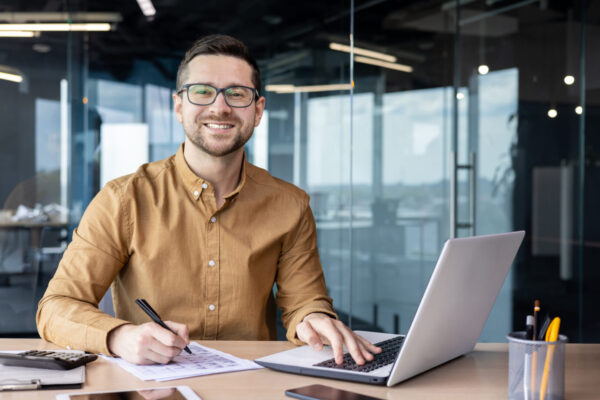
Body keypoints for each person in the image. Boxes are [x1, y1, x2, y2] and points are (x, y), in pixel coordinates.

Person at [37, 34, 380, 366]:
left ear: (258, 111)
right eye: (202, 92)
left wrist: (312, 318)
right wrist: (119, 336)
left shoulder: (291, 205)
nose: (220, 107)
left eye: (237, 93)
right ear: (179, 106)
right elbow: (55, 308)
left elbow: (305, 301)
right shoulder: (123, 199)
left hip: (249, 389)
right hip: (151, 390)